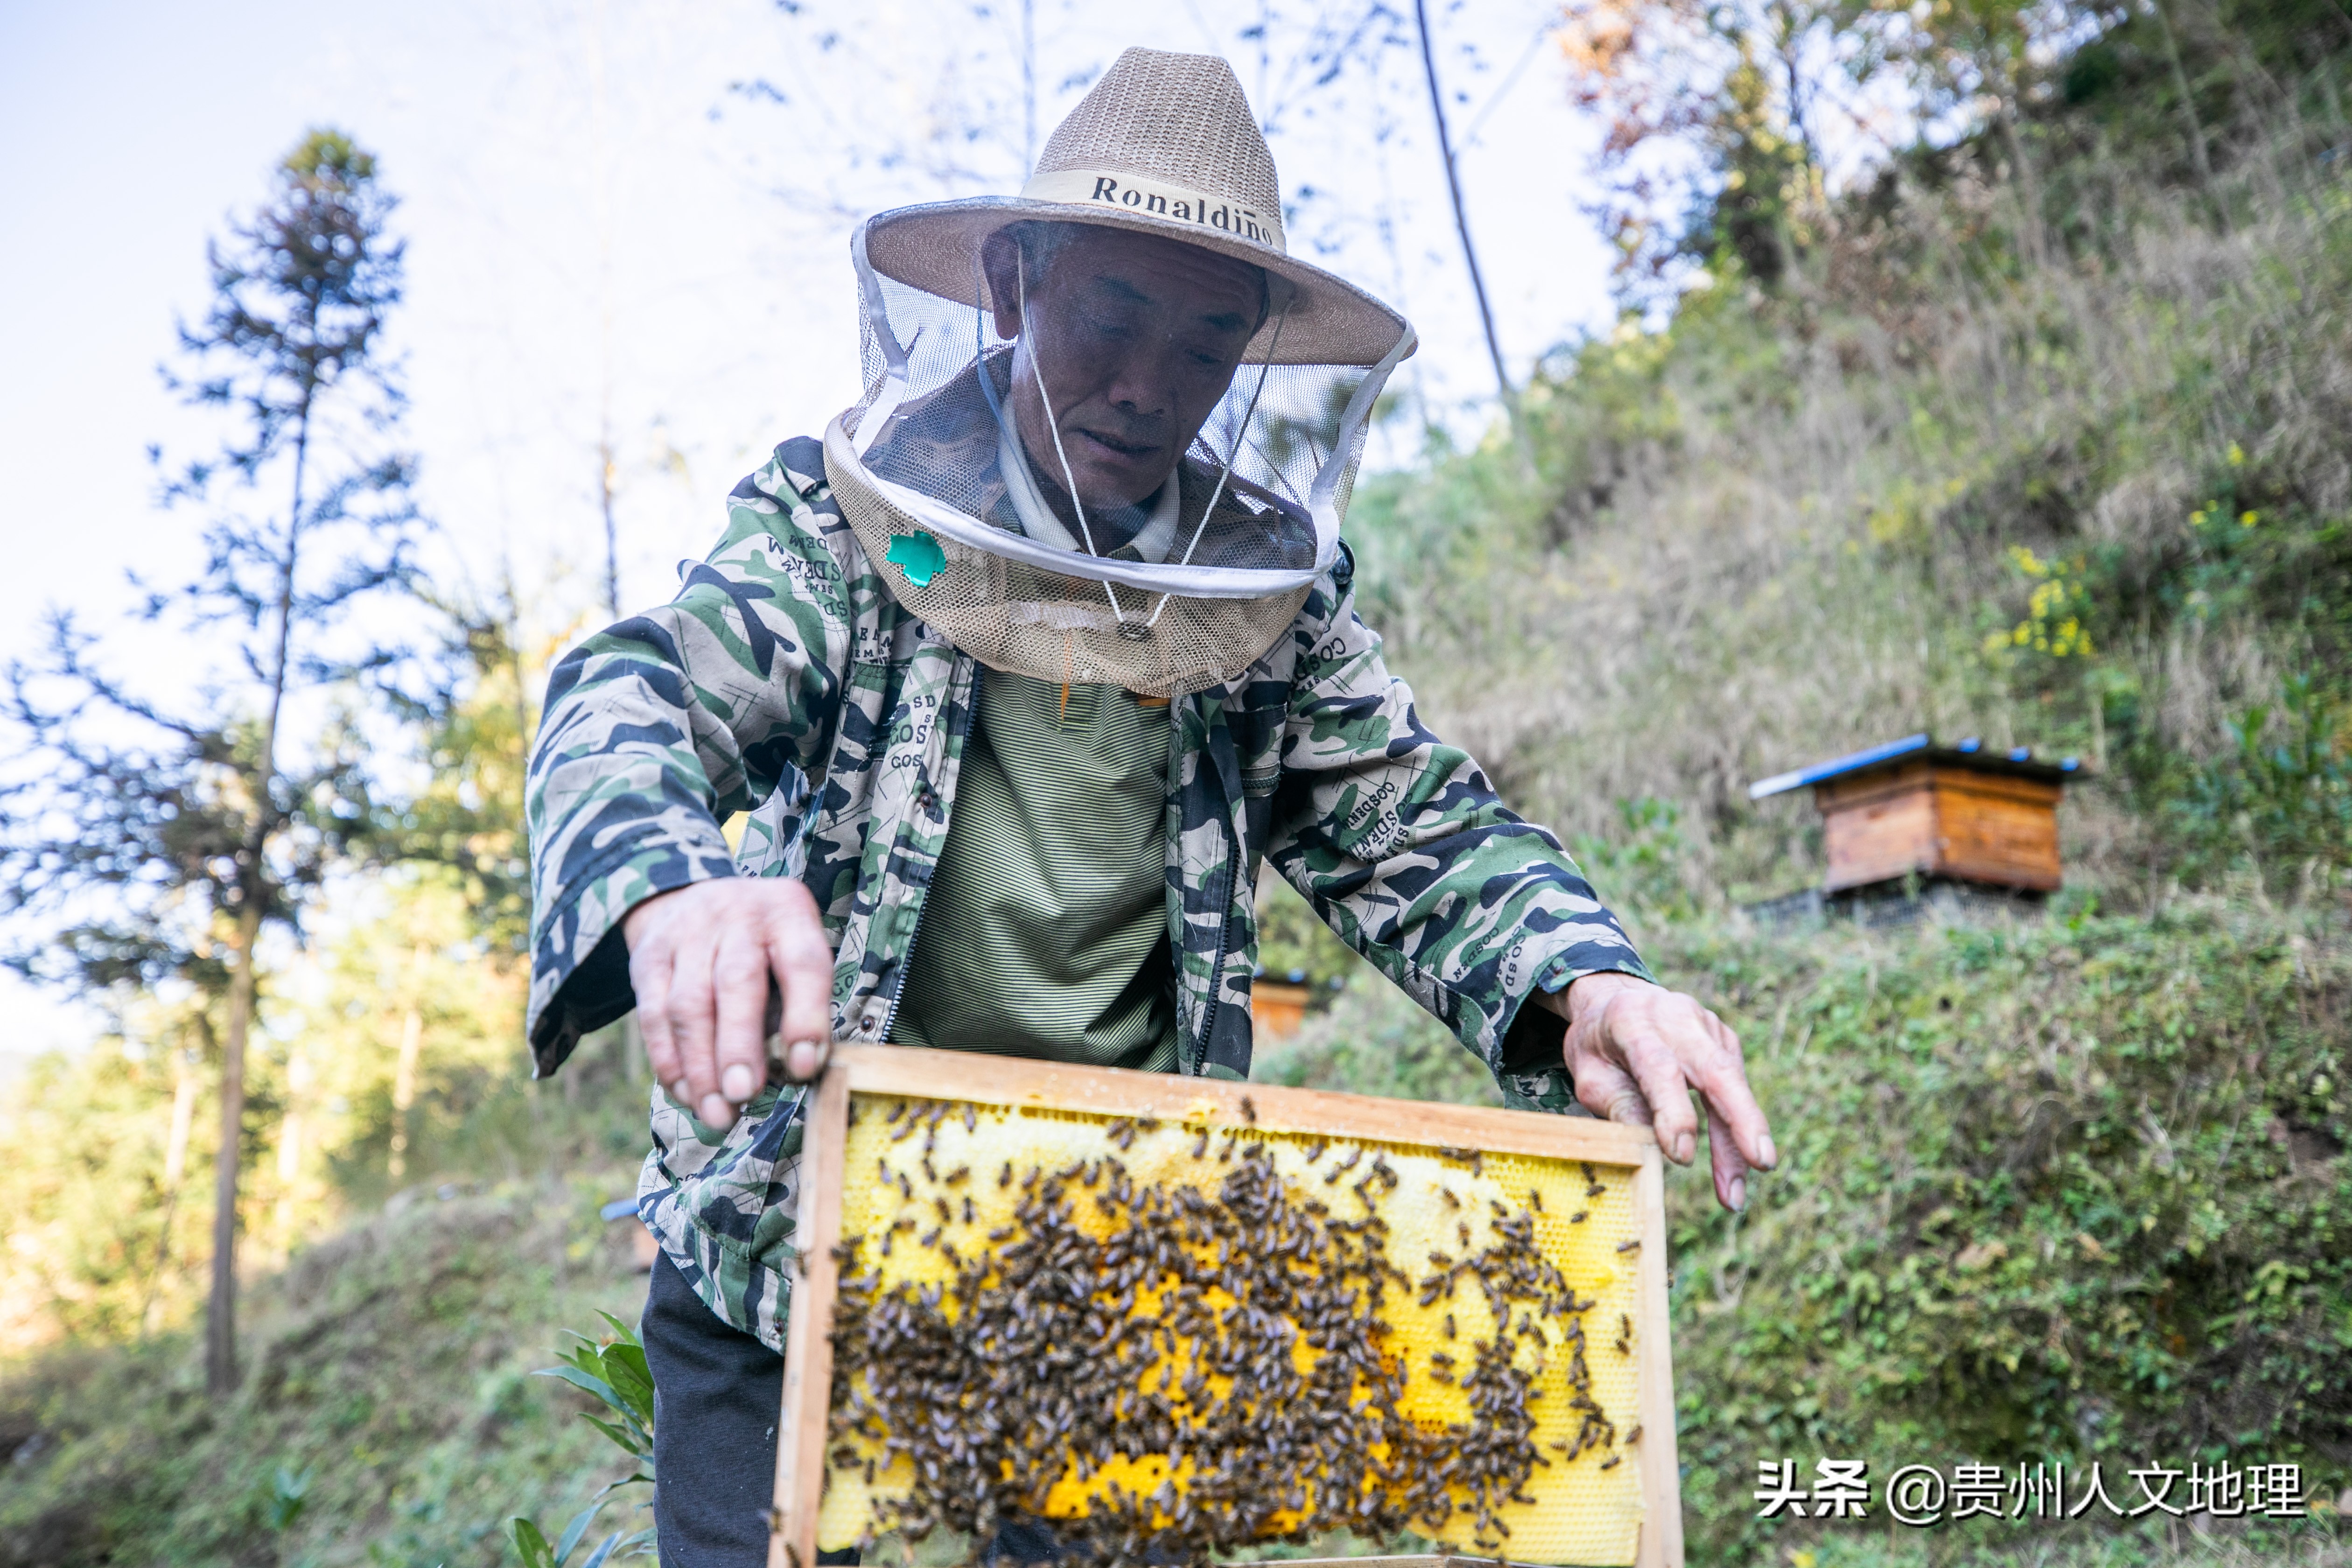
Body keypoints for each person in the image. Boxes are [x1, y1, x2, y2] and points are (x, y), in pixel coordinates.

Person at [525, 47, 1774, 1568]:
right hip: (793, 1256)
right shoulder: (840, 528)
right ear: (1013, 284)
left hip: (1110, 1258)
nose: (1148, 386)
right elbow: (638, 690)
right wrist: (669, 882)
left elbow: (1412, 817)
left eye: (1202, 345)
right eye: (1113, 316)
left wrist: (1592, 978)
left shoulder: (1268, 592)